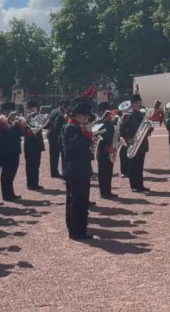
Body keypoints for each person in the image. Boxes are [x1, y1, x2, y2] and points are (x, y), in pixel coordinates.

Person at [62, 98, 94, 240]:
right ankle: (77, 231)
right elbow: (76, 146)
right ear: (78, 115)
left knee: (76, 200)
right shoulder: (71, 128)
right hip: (76, 169)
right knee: (78, 201)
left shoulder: (73, 127)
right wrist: (87, 135)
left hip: (78, 168)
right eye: (84, 115)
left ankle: (74, 228)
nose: (86, 119)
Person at [121, 93, 153, 192]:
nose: (140, 104)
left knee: (140, 166)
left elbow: (146, 127)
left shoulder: (142, 115)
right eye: (139, 102)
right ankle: (134, 185)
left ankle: (140, 185)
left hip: (142, 144)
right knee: (133, 166)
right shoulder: (128, 116)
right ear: (133, 104)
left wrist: (149, 130)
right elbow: (122, 129)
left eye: (140, 102)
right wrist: (127, 138)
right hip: (133, 144)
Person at [0, 102, 24, 201]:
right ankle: (6, 194)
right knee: (6, 173)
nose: (10, 113)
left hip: (15, 149)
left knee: (12, 172)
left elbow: (20, 133)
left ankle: (10, 192)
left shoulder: (15, 121)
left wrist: (20, 125)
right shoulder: (1, 122)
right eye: (8, 111)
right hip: (6, 150)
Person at [94, 102, 117, 197]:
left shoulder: (109, 122)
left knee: (109, 172)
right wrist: (108, 148)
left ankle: (108, 191)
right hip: (103, 151)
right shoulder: (99, 123)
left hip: (110, 151)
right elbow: (98, 138)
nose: (109, 113)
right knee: (103, 173)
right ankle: (103, 192)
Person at [23, 100, 45, 190]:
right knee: (30, 165)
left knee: (36, 164)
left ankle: (35, 183)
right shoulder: (25, 117)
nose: (35, 110)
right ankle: (30, 183)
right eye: (33, 108)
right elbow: (27, 130)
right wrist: (29, 119)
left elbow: (38, 129)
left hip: (37, 144)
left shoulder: (38, 117)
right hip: (30, 144)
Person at [46, 99, 69, 179]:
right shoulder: (60, 114)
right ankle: (64, 172)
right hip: (57, 136)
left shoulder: (53, 111)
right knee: (62, 155)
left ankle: (54, 171)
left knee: (53, 156)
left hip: (52, 136)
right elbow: (57, 126)